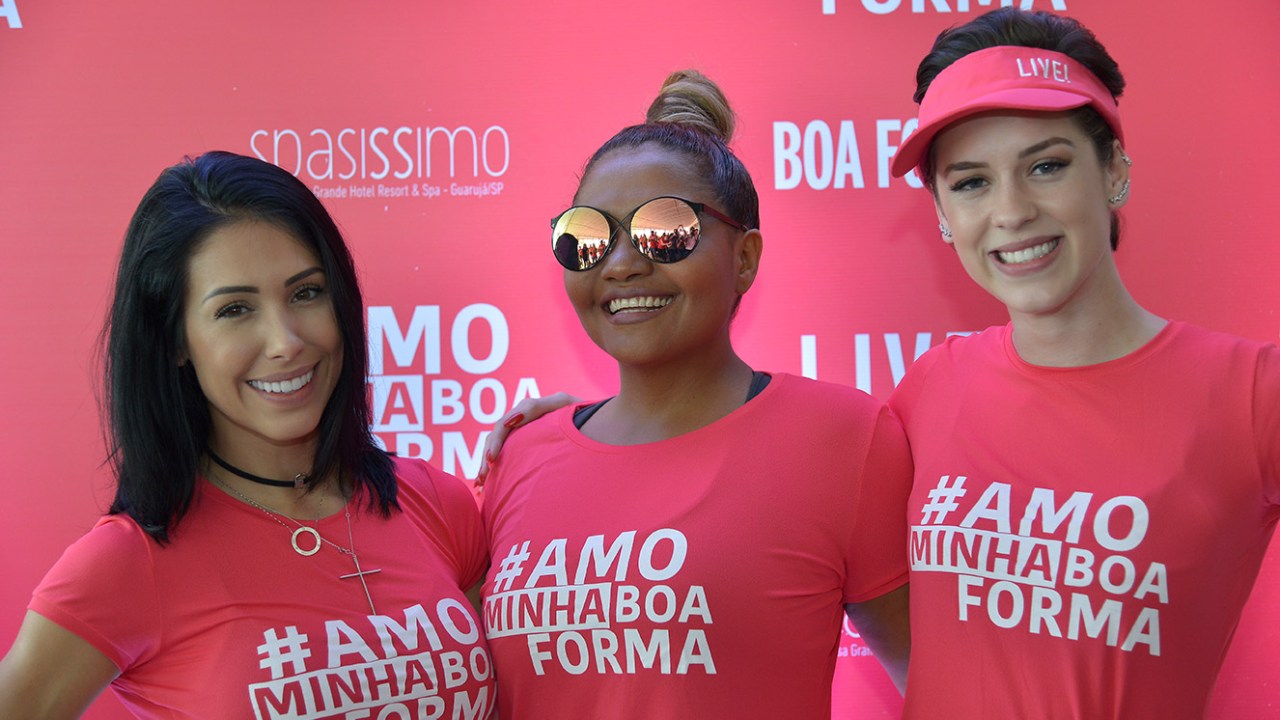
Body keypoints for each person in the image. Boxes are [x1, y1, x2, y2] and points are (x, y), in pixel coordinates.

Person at [478, 70, 913, 719]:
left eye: (665, 230)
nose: (621, 262)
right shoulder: (521, 453)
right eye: (588, 236)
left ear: (745, 257)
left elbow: (945, 680)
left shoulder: (844, 438)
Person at [0, 151, 495, 719]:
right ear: (176, 342)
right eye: (235, 309)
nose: (284, 341)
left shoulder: (436, 502)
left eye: (306, 293)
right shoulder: (127, 564)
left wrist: (553, 432)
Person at [886, 8, 1279, 718]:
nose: (1011, 212)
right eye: (971, 182)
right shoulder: (927, 388)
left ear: (1114, 173)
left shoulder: (1252, 395)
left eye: (1045, 166)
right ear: (942, 212)